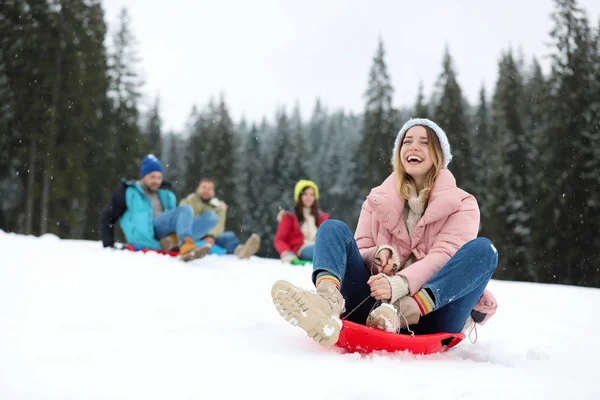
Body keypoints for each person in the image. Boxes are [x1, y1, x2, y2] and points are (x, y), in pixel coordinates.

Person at [270, 118, 499, 346]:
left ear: (439, 154)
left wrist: (400, 284)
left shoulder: (463, 203)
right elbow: (359, 250)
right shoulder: (376, 200)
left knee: (484, 250)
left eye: (424, 142)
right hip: (373, 309)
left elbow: (445, 256)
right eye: (407, 142)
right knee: (332, 228)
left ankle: (403, 311)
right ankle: (327, 302)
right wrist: (378, 256)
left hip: (432, 316)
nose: (413, 147)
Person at [99, 154, 218, 262]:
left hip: (168, 232)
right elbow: (108, 216)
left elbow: (176, 217)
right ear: (143, 176)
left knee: (211, 217)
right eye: (152, 177)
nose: (156, 181)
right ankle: (184, 244)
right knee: (186, 209)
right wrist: (108, 244)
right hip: (147, 231)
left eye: (159, 177)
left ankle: (174, 241)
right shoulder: (128, 192)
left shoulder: (166, 193)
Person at [179, 178, 261, 259]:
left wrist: (211, 236)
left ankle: (240, 251)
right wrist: (196, 202)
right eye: (204, 187)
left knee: (229, 236)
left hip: (212, 238)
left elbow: (219, 225)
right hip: (192, 235)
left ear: (213, 192)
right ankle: (194, 249)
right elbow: (183, 220)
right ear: (197, 189)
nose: (206, 191)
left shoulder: (218, 207)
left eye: (210, 188)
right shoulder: (187, 202)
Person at [274, 180, 330, 263]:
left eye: (311, 194)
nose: (309, 197)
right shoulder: (290, 216)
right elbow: (279, 240)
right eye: (305, 194)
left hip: (319, 246)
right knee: (323, 251)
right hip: (302, 249)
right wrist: (287, 252)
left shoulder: (320, 217)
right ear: (299, 196)